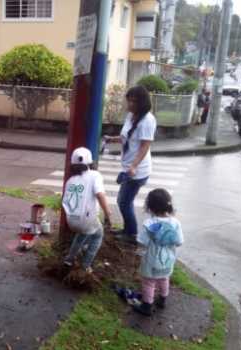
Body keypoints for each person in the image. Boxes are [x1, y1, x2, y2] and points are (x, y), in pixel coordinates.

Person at [104, 86, 157, 244]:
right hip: (129, 167)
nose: (131, 104)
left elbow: (144, 146)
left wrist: (133, 167)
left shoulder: (147, 120)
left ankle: (131, 234)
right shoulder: (131, 116)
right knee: (124, 201)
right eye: (129, 100)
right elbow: (126, 137)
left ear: (142, 102)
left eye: (134, 101)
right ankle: (127, 230)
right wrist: (112, 139)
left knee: (124, 201)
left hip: (138, 171)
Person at [133, 188, 184, 316]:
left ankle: (147, 306)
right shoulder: (175, 223)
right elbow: (179, 242)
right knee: (164, 278)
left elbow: (141, 241)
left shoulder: (149, 223)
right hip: (168, 259)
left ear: (150, 206)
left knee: (149, 282)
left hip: (151, 259)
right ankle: (162, 299)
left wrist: (139, 251)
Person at [62, 147, 112, 273]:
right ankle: (85, 265)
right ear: (90, 162)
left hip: (71, 220)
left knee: (81, 235)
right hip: (87, 219)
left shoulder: (70, 180)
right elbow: (100, 194)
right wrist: (107, 213)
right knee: (98, 236)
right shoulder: (95, 175)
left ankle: (69, 259)